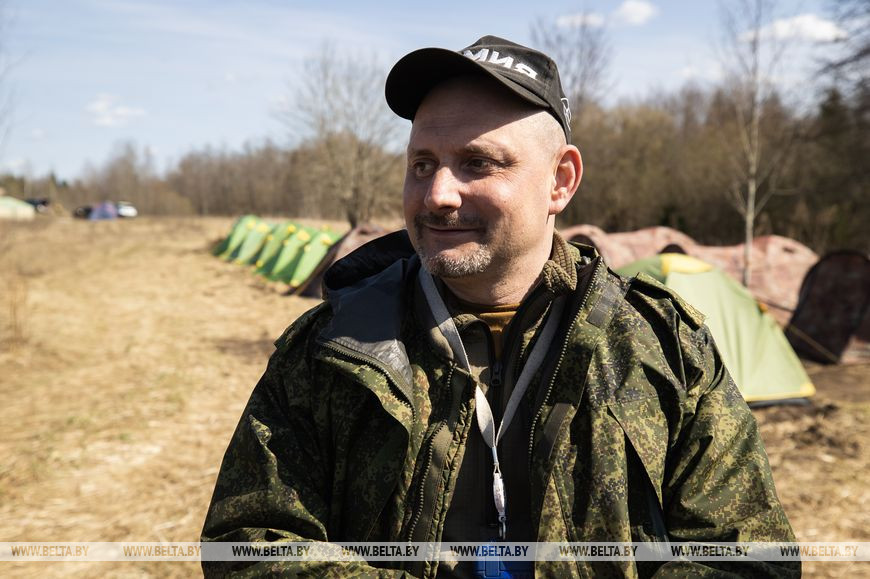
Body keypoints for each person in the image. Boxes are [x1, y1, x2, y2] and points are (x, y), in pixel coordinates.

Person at [201, 36, 798, 578]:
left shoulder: (662, 346)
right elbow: (247, 546)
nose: (437, 195)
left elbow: (750, 558)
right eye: (422, 164)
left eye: (478, 163)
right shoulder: (333, 349)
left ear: (560, 181)